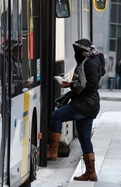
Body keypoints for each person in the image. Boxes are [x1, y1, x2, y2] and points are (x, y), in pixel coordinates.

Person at [47, 39, 105, 182]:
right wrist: (72, 83)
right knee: (84, 138)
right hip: (91, 104)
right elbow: (89, 81)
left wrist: (73, 86)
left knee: (56, 115)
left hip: (84, 103)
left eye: (77, 51)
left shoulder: (89, 63)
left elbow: (90, 84)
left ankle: (53, 150)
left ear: (81, 51)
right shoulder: (94, 60)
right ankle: (91, 173)